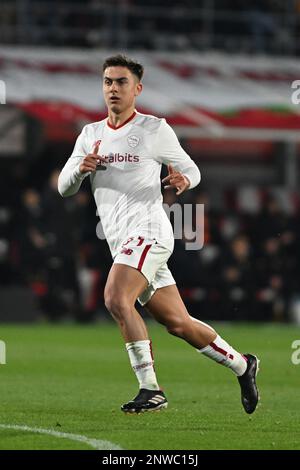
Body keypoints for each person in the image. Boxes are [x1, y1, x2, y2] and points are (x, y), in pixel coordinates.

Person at [58, 54, 260, 414]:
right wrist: (78, 171)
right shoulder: (90, 135)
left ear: (137, 88)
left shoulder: (154, 129)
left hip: (149, 232)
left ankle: (151, 389)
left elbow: (191, 169)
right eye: (108, 81)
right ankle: (243, 366)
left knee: (116, 298)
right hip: (121, 242)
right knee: (178, 323)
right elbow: (64, 188)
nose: (113, 88)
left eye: (121, 82)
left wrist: (185, 179)